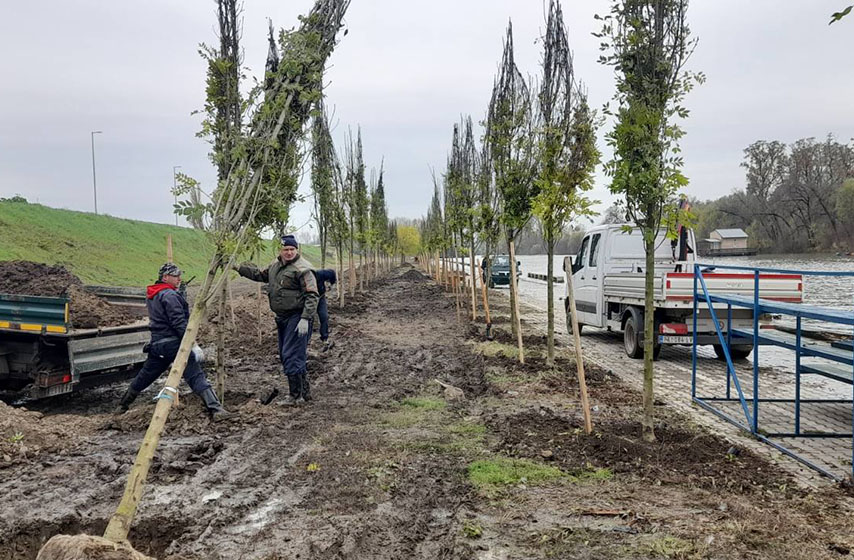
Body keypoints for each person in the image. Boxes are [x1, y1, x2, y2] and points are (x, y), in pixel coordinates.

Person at [118, 263, 229, 418]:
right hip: (173, 344)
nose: (179, 279)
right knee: (195, 374)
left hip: (157, 344)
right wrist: (193, 344)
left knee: (146, 375)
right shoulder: (169, 295)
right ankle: (216, 409)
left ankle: (123, 405)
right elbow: (178, 322)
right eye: (176, 276)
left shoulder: (153, 294)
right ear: (165, 277)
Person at [236, 234, 319, 404]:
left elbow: (312, 295)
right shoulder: (275, 266)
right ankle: (304, 393)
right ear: (280, 251)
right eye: (285, 249)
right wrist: (237, 268)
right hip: (282, 318)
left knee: (291, 354)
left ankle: (295, 396)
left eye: (292, 249)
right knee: (287, 354)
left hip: (297, 317)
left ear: (297, 250)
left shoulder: (303, 268)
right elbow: (260, 275)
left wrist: (305, 318)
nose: (289, 252)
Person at [314, 268, 337, 352]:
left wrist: (332, 283)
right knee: (308, 319)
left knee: (324, 317)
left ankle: (325, 338)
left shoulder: (319, 274)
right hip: (307, 300)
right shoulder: (301, 278)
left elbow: (332, 272)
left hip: (320, 298)